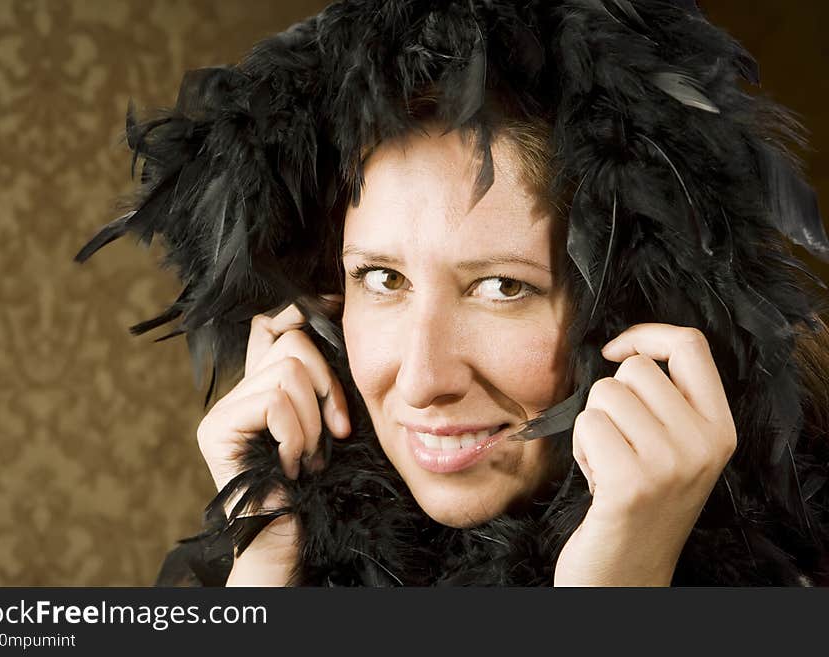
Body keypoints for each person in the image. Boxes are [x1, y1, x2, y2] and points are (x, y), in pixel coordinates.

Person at [77, 0, 829, 586]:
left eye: (502, 287)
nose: (423, 378)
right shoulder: (276, 561)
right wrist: (267, 564)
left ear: (637, 312)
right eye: (383, 278)